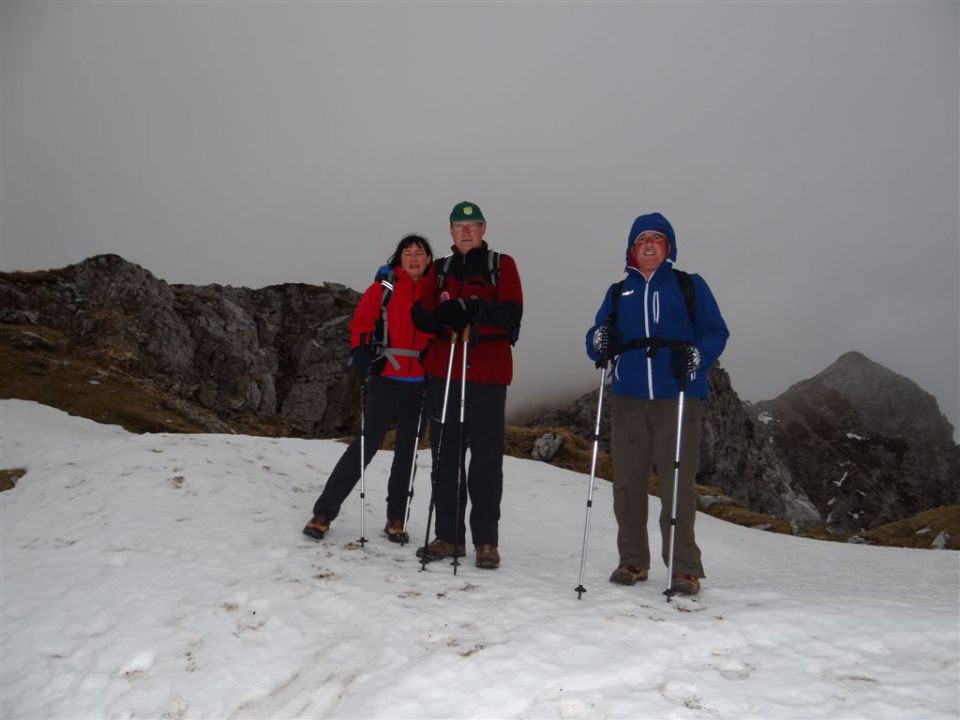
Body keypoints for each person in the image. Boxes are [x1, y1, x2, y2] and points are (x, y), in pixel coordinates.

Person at [585, 212, 728, 595]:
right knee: (627, 484)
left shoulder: (688, 286)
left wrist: (698, 356)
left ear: (669, 247)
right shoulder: (618, 292)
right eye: (641, 239)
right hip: (628, 396)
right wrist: (600, 340)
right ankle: (633, 560)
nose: (649, 244)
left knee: (676, 483)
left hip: (677, 395)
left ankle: (684, 568)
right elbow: (596, 335)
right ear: (632, 249)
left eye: (657, 239)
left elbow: (716, 330)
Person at [411, 201, 523, 570]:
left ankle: (486, 542)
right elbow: (421, 313)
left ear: (484, 229)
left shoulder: (501, 266)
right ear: (450, 231)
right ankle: (448, 536)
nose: (465, 231)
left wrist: (472, 307)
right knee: (445, 459)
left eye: (472, 225)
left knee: (486, 462)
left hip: (488, 375)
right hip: (445, 372)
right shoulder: (439, 270)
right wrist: (444, 318)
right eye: (459, 226)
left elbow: (511, 314)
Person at [303, 234, 434, 544]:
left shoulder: (435, 292)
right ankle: (323, 513)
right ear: (399, 258)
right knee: (363, 447)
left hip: (421, 384)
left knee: (407, 454)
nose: (414, 258)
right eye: (408, 253)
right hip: (387, 379)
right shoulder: (384, 288)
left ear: (429, 260)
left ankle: (396, 520)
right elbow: (362, 323)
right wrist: (362, 353)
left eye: (420, 253)